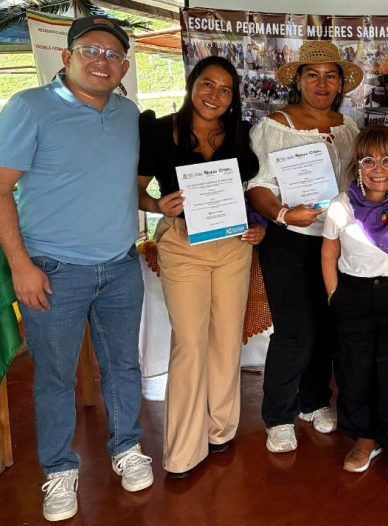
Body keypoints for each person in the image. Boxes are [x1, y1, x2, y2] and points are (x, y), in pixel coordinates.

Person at [0, 16, 152, 521]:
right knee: (54, 376)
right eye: (90, 50)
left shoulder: (128, 114)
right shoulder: (29, 108)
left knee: (122, 365)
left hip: (121, 263)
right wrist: (21, 265)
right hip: (53, 270)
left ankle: (127, 447)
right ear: (67, 56)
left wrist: (162, 208)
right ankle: (59, 470)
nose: (101, 60)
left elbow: (125, 184)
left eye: (112, 54)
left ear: (123, 66)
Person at [137, 56, 264, 478]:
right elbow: (134, 192)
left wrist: (258, 226)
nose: (215, 95)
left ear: (233, 99)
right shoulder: (157, 131)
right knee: (189, 344)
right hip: (183, 245)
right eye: (207, 85)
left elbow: (255, 193)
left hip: (232, 246)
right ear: (192, 85)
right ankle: (182, 450)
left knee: (227, 339)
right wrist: (156, 204)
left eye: (225, 90)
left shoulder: (242, 134)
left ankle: (220, 428)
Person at [246, 41, 363, 453]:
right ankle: (278, 414)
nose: (321, 83)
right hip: (290, 242)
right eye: (312, 75)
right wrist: (280, 214)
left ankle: (313, 401)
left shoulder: (349, 127)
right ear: (297, 80)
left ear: (340, 84)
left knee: (327, 326)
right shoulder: (275, 125)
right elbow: (258, 185)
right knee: (295, 331)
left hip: (337, 243)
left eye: (331, 75)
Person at [321, 125, 388, 490]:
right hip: (352, 293)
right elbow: (329, 251)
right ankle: (365, 435)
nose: (377, 168)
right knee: (354, 366)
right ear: (358, 165)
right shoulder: (341, 204)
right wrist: (335, 295)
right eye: (369, 160)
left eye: (386, 160)